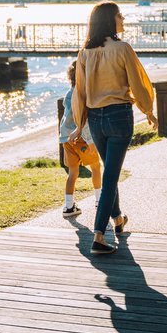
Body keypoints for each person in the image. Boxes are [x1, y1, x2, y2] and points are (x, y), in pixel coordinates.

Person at [71, 1, 157, 256]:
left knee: (110, 170)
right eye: (120, 15)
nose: (123, 19)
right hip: (119, 116)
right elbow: (139, 83)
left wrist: (80, 122)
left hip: (96, 118)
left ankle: (118, 219)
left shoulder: (84, 53)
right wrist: (148, 110)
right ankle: (99, 234)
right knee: (110, 176)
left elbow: (80, 92)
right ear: (111, 20)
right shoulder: (122, 49)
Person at [59, 61, 102, 218]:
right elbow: (82, 120)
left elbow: (66, 118)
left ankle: (69, 207)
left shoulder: (69, 93)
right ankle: (99, 200)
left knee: (73, 173)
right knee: (96, 167)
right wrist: (91, 141)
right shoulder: (82, 95)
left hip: (66, 138)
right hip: (81, 138)